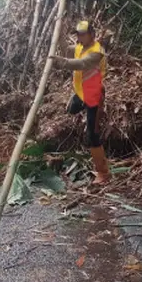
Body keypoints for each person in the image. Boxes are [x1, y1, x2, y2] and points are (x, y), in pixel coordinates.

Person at [49, 20, 111, 185]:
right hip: (80, 93)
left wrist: (61, 62)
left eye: (84, 34)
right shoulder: (79, 48)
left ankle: (103, 173)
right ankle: (80, 112)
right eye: (79, 34)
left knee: (92, 134)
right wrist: (60, 31)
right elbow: (65, 50)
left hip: (93, 95)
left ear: (92, 34)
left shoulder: (97, 52)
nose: (81, 37)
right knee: (70, 109)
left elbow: (81, 64)